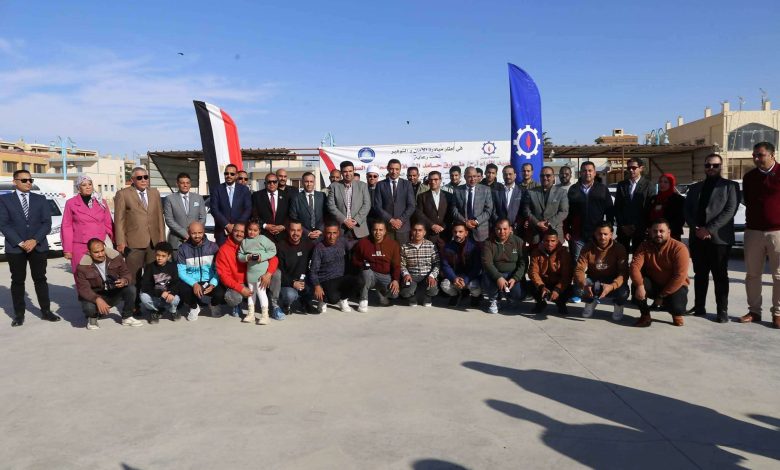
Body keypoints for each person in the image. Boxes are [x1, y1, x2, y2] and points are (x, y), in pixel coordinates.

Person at [683, 154, 740, 323]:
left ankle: (722, 310)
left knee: (720, 275)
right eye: (708, 165)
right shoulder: (695, 188)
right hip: (698, 237)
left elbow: (730, 211)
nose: (711, 168)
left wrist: (709, 229)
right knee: (700, 274)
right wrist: (695, 228)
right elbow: (687, 210)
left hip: (719, 239)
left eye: (715, 165)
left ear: (721, 166)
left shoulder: (730, 186)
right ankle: (699, 306)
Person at [0, 169, 60, 326]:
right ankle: (19, 314)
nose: (28, 183)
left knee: (40, 279)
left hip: (38, 246)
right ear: (15, 182)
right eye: (24, 180)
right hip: (15, 247)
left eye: (30, 180)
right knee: (17, 281)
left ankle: (46, 311)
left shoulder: (40, 199)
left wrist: (34, 240)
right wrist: (20, 242)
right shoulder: (4, 200)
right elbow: (3, 224)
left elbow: (46, 223)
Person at [740, 141, 780, 328]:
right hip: (753, 232)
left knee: (778, 275)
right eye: (754, 155)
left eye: (760, 155)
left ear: (772, 155)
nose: (756, 158)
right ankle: (754, 311)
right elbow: (748, 200)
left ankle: (778, 313)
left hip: (777, 233)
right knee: (753, 274)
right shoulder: (749, 177)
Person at [114, 166, 166, 308]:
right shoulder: (123, 194)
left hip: (154, 243)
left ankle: (156, 305)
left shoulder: (154, 193)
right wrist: (120, 242)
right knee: (133, 277)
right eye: (139, 178)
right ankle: (134, 305)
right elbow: (119, 221)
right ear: (132, 180)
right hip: (133, 243)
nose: (143, 180)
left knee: (156, 275)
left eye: (146, 177)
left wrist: (162, 239)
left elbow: (159, 217)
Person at [631, 219, 690, 327]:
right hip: (654, 283)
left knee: (678, 308)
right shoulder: (644, 246)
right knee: (636, 286)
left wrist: (662, 296)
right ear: (650, 232)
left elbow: (679, 276)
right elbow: (634, 266)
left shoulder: (679, 248)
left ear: (669, 232)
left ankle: (676, 314)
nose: (658, 234)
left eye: (661, 231)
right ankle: (645, 315)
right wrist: (639, 285)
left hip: (674, 286)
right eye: (655, 231)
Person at [76, 238, 140, 330]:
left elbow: (126, 273)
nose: (101, 254)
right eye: (96, 252)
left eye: (102, 250)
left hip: (112, 292)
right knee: (88, 307)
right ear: (89, 253)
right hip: (95, 295)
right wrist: (97, 299)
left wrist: (124, 280)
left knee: (131, 288)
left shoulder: (116, 257)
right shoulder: (82, 267)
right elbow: (83, 289)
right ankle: (92, 319)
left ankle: (127, 317)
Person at [62, 175, 114, 279]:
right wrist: (67, 249)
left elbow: (108, 223)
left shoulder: (101, 202)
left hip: (100, 245)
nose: (88, 187)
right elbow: (66, 226)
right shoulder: (71, 203)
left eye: (90, 184)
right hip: (80, 245)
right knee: (81, 276)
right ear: (78, 187)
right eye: (84, 185)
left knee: (101, 275)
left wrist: (111, 240)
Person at [573, 223, 630, 320]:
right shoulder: (587, 248)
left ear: (611, 234)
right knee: (578, 289)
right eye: (599, 234)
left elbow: (623, 272)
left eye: (605, 234)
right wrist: (584, 284)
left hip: (612, 280)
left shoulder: (619, 248)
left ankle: (618, 305)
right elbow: (579, 269)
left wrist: (612, 286)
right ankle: (590, 302)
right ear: (595, 234)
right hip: (594, 280)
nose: (602, 237)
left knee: (623, 292)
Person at [565, 161, 614, 262]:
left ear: (594, 173)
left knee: (597, 262)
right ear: (580, 173)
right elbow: (568, 212)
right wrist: (567, 230)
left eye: (590, 170)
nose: (587, 173)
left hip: (597, 234)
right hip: (578, 234)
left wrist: (610, 230)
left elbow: (610, 211)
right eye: (584, 171)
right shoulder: (573, 189)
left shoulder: (602, 189)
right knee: (578, 262)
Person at [177, 221, 224, 321]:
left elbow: (219, 268)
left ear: (203, 232)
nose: (197, 236)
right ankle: (194, 307)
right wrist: (194, 284)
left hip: (208, 280)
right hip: (192, 281)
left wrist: (213, 283)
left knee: (220, 292)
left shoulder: (213, 247)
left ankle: (213, 305)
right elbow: (181, 272)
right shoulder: (183, 249)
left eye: (200, 233)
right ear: (189, 233)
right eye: (194, 233)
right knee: (182, 290)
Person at [352, 220, 401, 312]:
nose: (378, 232)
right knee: (366, 271)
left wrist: (395, 280)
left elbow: (396, 265)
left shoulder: (393, 244)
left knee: (394, 294)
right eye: (375, 230)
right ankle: (363, 300)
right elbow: (355, 260)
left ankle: (381, 293)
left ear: (385, 231)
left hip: (385, 275)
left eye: (380, 230)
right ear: (371, 230)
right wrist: (362, 264)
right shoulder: (363, 243)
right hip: (369, 274)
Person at [310, 222, 359, 313]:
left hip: (340, 278)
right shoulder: (319, 248)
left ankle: (343, 300)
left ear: (338, 233)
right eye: (329, 233)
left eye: (334, 233)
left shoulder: (342, 242)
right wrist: (317, 286)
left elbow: (353, 244)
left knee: (358, 280)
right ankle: (322, 300)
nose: (331, 236)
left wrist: (367, 241)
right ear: (324, 233)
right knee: (333, 299)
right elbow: (313, 271)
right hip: (325, 280)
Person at [481, 219, 528, 314]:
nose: (502, 232)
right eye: (499, 229)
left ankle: (510, 298)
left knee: (519, 294)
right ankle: (494, 299)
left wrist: (515, 278)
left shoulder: (518, 242)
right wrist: (498, 277)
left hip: (512, 274)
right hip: (495, 274)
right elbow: (487, 263)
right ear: (495, 229)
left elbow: (523, 263)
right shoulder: (488, 242)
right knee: (486, 278)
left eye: (505, 229)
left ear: (510, 229)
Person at [270, 221, 314, 315]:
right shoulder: (281, 246)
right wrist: (293, 283)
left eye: (298, 230)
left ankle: (305, 302)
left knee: (315, 285)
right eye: (293, 230)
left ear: (301, 231)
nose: (295, 233)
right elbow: (279, 272)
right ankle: (286, 304)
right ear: (288, 231)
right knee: (289, 295)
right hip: (287, 283)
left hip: (302, 280)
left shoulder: (307, 244)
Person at [238, 220, 278, 324]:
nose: (252, 232)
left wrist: (262, 256)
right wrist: (247, 257)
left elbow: (273, 250)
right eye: (250, 229)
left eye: (255, 230)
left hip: (261, 272)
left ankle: (265, 316)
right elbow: (240, 256)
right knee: (251, 293)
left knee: (261, 292)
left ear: (259, 231)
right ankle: (251, 314)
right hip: (250, 272)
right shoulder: (244, 242)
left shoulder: (263, 239)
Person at [614, 158, 654, 253]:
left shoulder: (648, 185)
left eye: (634, 167)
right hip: (624, 229)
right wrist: (623, 225)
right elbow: (617, 207)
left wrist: (640, 226)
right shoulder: (621, 185)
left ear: (641, 168)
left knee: (639, 256)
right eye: (629, 168)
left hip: (640, 228)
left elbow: (649, 208)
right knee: (622, 255)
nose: (631, 170)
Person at [528, 229, 572, 315]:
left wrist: (557, 289)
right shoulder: (536, 252)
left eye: (552, 241)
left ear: (557, 241)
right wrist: (541, 286)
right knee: (530, 285)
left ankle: (561, 304)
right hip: (543, 282)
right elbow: (533, 272)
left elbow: (567, 275)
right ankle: (540, 303)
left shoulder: (564, 253)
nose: (549, 244)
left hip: (557, 283)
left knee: (570, 289)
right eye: (547, 241)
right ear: (543, 241)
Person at [523, 166, 569, 244]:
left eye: (548, 175)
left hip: (555, 231)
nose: (545, 178)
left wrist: (549, 223)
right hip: (536, 232)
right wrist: (537, 223)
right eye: (542, 176)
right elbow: (526, 210)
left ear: (553, 177)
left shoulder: (561, 192)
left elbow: (564, 211)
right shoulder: (531, 192)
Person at [373, 159, 416, 243]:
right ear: (387, 169)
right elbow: (377, 206)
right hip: (386, 227)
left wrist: (400, 220)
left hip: (403, 228)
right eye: (392, 169)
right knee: (387, 250)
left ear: (400, 170)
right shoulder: (380, 185)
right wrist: (391, 220)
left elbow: (411, 206)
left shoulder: (407, 184)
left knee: (403, 250)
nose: (394, 172)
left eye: (397, 169)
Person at [215, 222, 253, 318]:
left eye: (242, 232)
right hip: (234, 284)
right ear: (232, 232)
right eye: (236, 231)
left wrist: (268, 273)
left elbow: (272, 258)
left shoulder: (252, 245)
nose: (239, 234)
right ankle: (236, 304)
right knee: (234, 297)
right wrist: (240, 288)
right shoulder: (223, 250)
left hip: (251, 280)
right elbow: (223, 276)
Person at [440, 222, 483, 306]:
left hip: (470, 277)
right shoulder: (447, 247)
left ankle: (475, 297)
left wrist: (466, 280)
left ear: (466, 233)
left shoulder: (474, 246)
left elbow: (477, 267)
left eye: (460, 232)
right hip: (456, 277)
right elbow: (445, 266)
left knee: (475, 287)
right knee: (444, 285)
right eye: (455, 232)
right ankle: (455, 295)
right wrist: (454, 278)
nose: (457, 234)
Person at [327, 160, 372, 240]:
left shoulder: (362, 185)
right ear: (341, 173)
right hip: (341, 229)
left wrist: (356, 220)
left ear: (354, 171)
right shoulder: (334, 186)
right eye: (345, 171)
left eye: (350, 171)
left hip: (359, 228)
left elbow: (367, 204)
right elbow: (331, 206)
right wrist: (344, 220)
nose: (348, 174)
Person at [210, 163, 252, 246]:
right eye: (226, 173)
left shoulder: (244, 190)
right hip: (222, 231)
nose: (229, 176)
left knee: (239, 253)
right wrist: (227, 225)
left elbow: (248, 209)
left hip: (240, 231)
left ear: (236, 175)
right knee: (222, 253)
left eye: (232, 174)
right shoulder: (217, 189)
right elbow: (214, 209)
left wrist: (236, 226)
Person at [163, 172, 207, 252]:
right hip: (177, 241)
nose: (185, 185)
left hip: (196, 241)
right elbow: (169, 220)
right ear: (177, 184)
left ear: (190, 184)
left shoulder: (198, 198)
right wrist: (186, 234)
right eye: (182, 183)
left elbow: (203, 217)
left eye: (187, 183)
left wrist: (194, 233)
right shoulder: (170, 199)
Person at [139, 242, 180, 324]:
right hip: (155, 297)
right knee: (143, 296)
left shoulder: (173, 266)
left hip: (167, 297)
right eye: (158, 255)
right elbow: (145, 285)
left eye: (163, 256)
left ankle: (173, 311)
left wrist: (172, 292)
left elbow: (176, 283)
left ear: (169, 256)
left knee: (176, 298)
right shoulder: (150, 267)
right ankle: (154, 311)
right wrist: (160, 293)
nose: (160, 258)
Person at [400, 223, 440, 307]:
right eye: (415, 230)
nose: (417, 232)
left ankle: (427, 297)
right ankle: (412, 297)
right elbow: (401, 264)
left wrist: (432, 276)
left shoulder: (431, 246)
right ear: (411, 232)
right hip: (412, 276)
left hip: (427, 276)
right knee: (405, 292)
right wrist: (406, 274)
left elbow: (437, 263)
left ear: (424, 232)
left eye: (420, 230)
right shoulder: (405, 247)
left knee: (433, 290)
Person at [451, 166, 494, 243]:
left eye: (475, 176)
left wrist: (476, 221)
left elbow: (488, 210)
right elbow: (454, 209)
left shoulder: (486, 190)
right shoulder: (457, 190)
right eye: (469, 177)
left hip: (480, 232)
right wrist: (465, 221)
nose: (472, 179)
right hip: (462, 231)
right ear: (465, 177)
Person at [251, 173, 290, 244]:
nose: (272, 184)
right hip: (264, 235)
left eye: (274, 182)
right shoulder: (257, 196)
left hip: (282, 236)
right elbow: (254, 214)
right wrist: (265, 225)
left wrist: (284, 226)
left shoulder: (286, 196)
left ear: (277, 183)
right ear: (265, 183)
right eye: (269, 182)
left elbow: (290, 214)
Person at [644, 173, 685, 241]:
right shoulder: (653, 199)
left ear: (671, 184)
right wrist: (649, 227)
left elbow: (680, 219)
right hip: (654, 235)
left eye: (666, 182)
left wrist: (665, 230)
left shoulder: (678, 199)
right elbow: (646, 215)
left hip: (671, 235)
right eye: (660, 181)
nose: (662, 184)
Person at [289, 171, 325, 242]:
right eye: (306, 181)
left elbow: (327, 215)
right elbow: (293, 218)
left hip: (321, 236)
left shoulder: (322, 196)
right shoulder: (296, 198)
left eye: (311, 181)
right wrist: (307, 232)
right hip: (304, 236)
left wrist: (321, 230)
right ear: (302, 182)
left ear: (314, 182)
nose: (309, 184)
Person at [493, 165, 525, 231]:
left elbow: (523, 210)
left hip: (517, 229)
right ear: (503, 176)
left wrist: (517, 225)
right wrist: (500, 224)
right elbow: (493, 210)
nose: (508, 176)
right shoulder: (496, 191)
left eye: (510, 174)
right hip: (500, 229)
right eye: (505, 174)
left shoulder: (522, 191)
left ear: (515, 175)